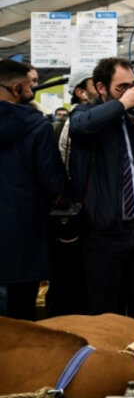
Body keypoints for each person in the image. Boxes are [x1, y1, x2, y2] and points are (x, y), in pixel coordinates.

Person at [69, 57, 134, 318]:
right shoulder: (85, 114)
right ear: (101, 87)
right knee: (106, 312)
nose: (129, 93)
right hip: (104, 233)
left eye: (132, 86)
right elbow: (80, 127)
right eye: (121, 88)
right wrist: (120, 105)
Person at [0, 59, 65, 320]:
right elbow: (52, 181)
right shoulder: (38, 126)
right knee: (21, 316)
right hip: (25, 232)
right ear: (16, 89)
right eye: (30, 86)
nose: (32, 91)